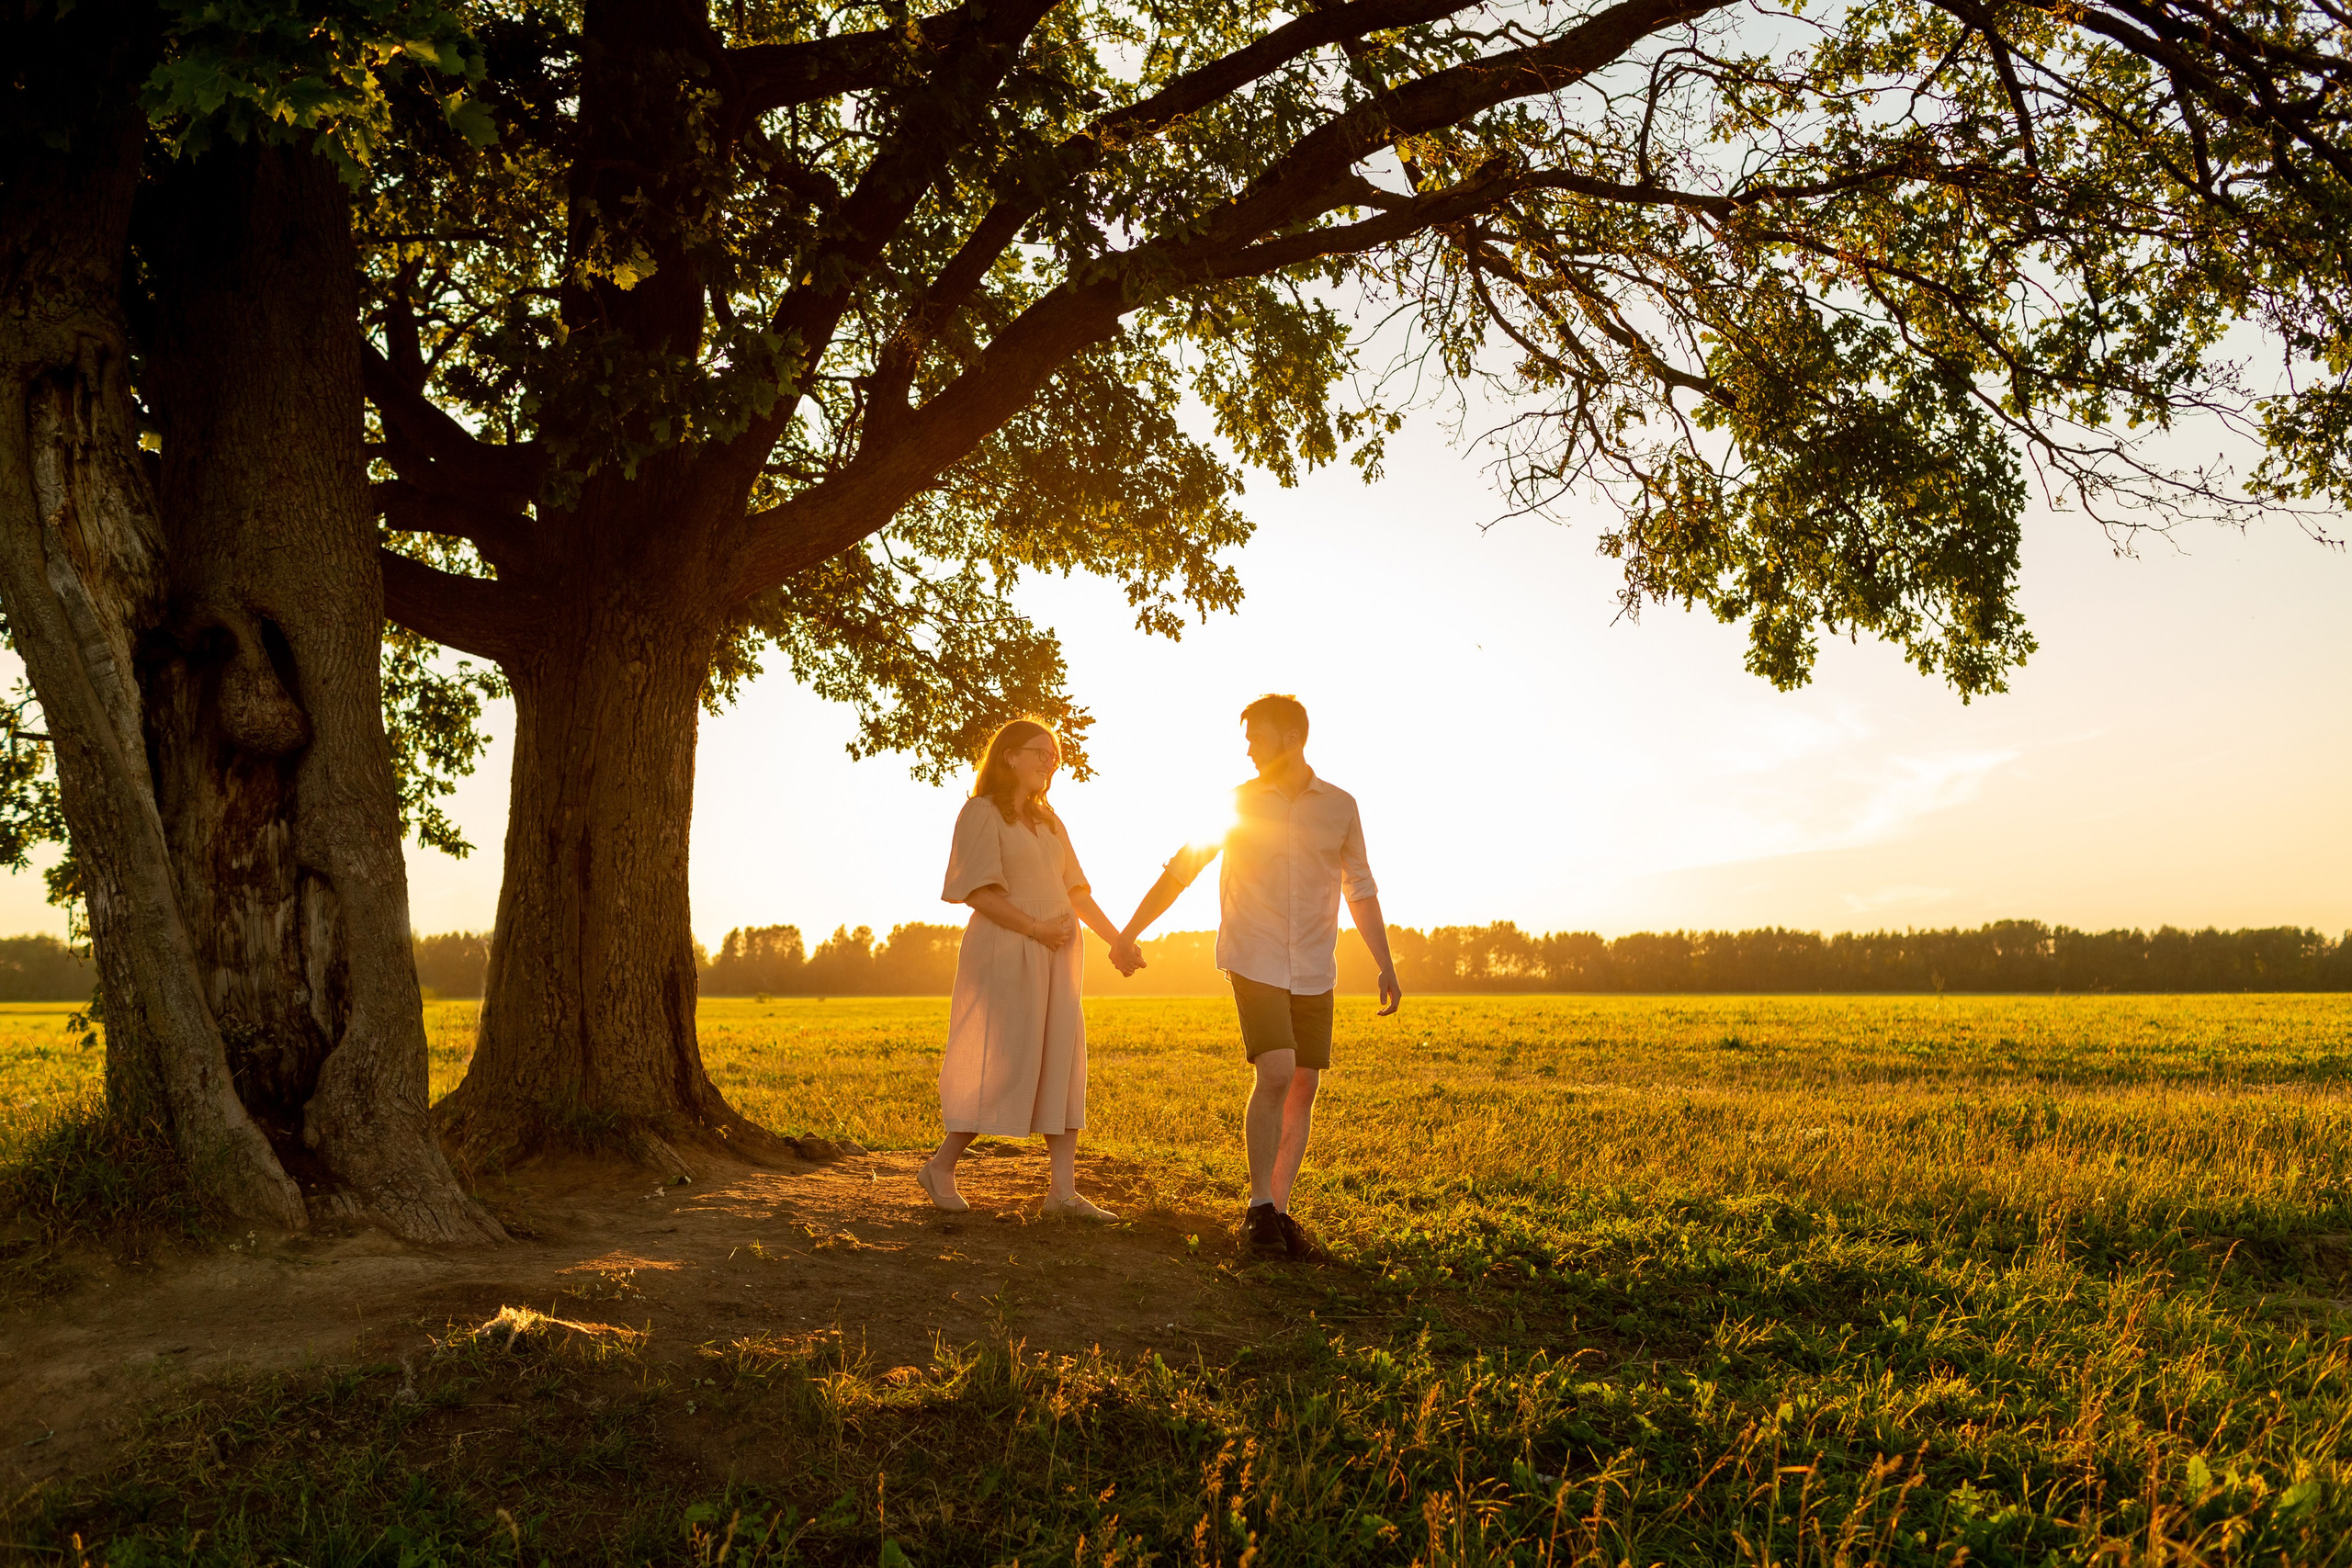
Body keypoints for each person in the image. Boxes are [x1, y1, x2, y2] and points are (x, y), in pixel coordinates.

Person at [1117, 694, 1401, 1258]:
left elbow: (1360, 889)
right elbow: (1181, 871)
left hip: (1316, 963)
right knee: (1275, 1072)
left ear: (1293, 738)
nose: (1248, 750)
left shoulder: (1340, 806)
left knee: (1303, 1084)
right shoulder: (1236, 804)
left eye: (1257, 738)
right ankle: (1256, 1207)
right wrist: (1128, 931)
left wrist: (1385, 962)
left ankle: (1280, 1209)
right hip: (1255, 955)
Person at [921, 718, 1143, 1219]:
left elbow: (1076, 891)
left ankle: (1061, 1192)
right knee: (1006, 1061)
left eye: (1054, 754)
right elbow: (976, 892)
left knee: (1061, 1060)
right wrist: (1035, 929)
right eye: (1040, 752)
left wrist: (1119, 941)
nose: (1051, 760)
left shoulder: (1050, 821)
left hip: (1059, 954)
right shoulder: (980, 813)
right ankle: (940, 1167)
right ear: (1008, 757)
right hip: (1006, 949)